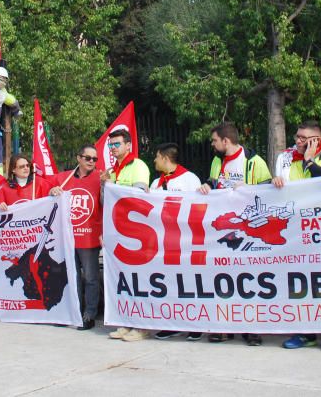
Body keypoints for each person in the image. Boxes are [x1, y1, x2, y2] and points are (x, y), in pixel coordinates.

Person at [198, 122, 271, 345]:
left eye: (214, 140)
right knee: (222, 278)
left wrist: (248, 189)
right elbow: (214, 181)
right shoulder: (217, 161)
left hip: (248, 229)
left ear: (225, 141)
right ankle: (222, 327)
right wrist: (207, 186)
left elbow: (267, 189)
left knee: (249, 279)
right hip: (223, 227)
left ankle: (252, 329)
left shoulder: (254, 160)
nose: (213, 144)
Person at [275, 120, 321, 353]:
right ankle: (306, 332)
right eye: (297, 137)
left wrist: (309, 160)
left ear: (316, 140)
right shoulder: (293, 164)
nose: (297, 141)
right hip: (298, 233)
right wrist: (276, 183)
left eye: (303, 139)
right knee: (301, 284)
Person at [150, 143, 204, 342]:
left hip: (187, 242)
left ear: (165, 158)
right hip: (165, 244)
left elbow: (199, 207)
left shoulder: (190, 179)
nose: (154, 160)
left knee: (190, 283)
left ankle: (194, 324)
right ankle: (172, 323)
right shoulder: (156, 183)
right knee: (170, 284)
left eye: (157, 156)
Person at [104, 129, 151, 342]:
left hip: (138, 232)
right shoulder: (112, 170)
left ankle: (141, 326)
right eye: (111, 145)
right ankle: (126, 321)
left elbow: (137, 197)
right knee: (124, 281)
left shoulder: (138, 166)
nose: (113, 148)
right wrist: (106, 184)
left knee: (139, 281)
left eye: (117, 144)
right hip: (118, 231)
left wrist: (111, 185)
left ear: (128, 145)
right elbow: (107, 202)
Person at [49, 145, 102, 330]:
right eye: (88, 158)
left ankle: (89, 314)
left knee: (90, 277)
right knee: (71, 277)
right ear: (78, 158)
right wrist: (52, 191)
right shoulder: (63, 178)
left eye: (94, 159)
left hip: (90, 237)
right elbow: (42, 191)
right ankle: (74, 312)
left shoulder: (99, 177)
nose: (91, 162)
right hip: (68, 237)